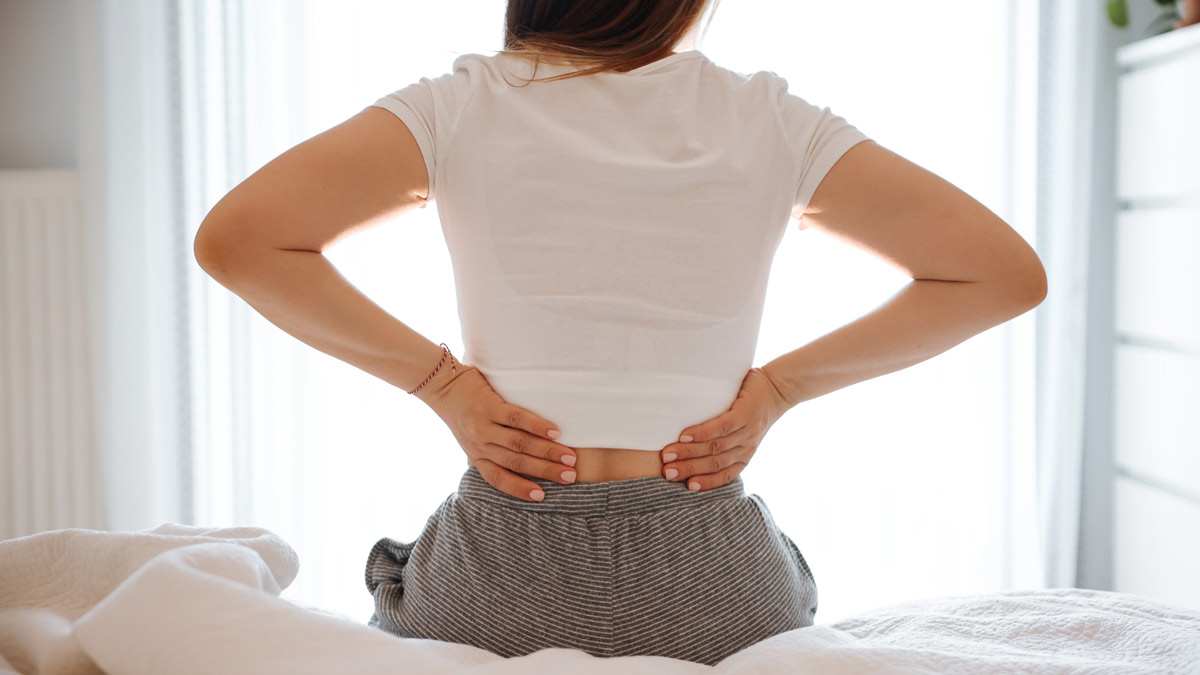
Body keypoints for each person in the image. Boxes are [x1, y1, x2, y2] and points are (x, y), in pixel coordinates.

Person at [192, 0, 1047, 665]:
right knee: (790, 570)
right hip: (714, 587)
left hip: (499, 576)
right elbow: (1002, 273)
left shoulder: (458, 106)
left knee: (395, 570)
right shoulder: (770, 118)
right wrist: (779, 387)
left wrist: (442, 383)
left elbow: (238, 240)